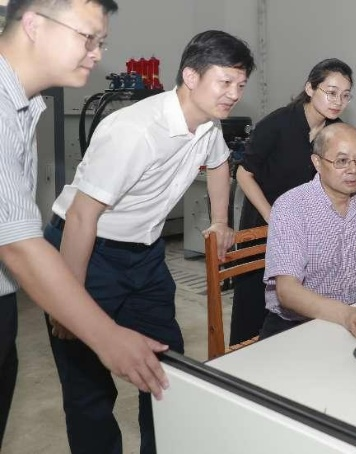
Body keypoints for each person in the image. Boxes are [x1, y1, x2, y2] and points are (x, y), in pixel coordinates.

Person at [43, 30, 254, 453]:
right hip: (85, 252)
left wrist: (219, 221)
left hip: (145, 256)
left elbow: (219, 163)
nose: (234, 94)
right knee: (89, 390)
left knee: (166, 369)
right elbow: (83, 217)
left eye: (241, 84)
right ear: (191, 76)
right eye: (225, 82)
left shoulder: (207, 125)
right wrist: (69, 301)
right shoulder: (134, 130)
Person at [0, 0, 172, 447]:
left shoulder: (24, 105)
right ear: (34, 24)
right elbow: (17, 243)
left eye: (102, 42)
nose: (96, 53)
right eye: (87, 38)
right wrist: (106, 336)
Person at [232, 58, 353, 345]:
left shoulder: (335, 131)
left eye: (345, 95)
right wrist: (273, 216)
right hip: (264, 225)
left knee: (301, 304)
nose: (338, 101)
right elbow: (244, 173)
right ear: (310, 88)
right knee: (254, 306)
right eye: (331, 92)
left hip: (309, 230)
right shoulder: (278, 123)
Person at [260, 123, 356, 342]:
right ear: (317, 162)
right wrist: (346, 315)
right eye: (342, 161)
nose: (353, 169)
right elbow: (287, 291)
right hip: (297, 326)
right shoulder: (292, 206)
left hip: (355, 319)